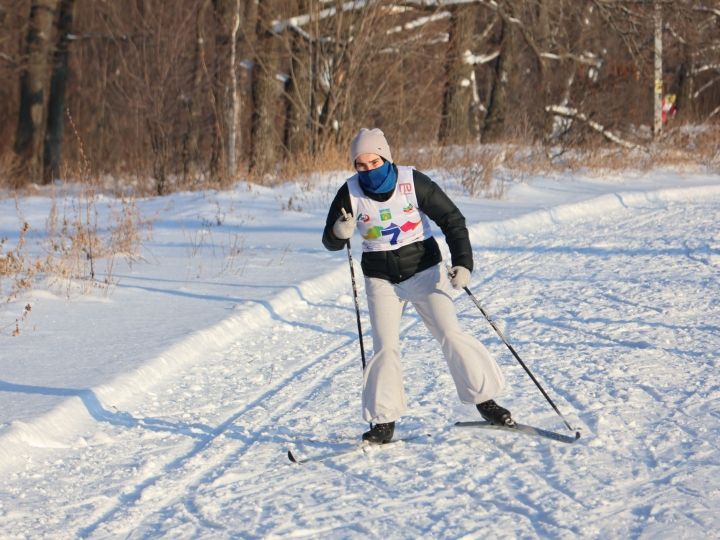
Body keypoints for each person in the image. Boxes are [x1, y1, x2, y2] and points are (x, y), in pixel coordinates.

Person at [322, 127, 513, 444]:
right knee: (385, 348)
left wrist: (464, 263)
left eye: (374, 162)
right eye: (361, 165)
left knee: (450, 334)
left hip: (424, 271)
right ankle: (384, 422)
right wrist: (339, 232)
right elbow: (329, 240)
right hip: (380, 278)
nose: (368, 170)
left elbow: (452, 219)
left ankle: (485, 401)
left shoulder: (412, 182)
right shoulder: (350, 192)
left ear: (386, 158)